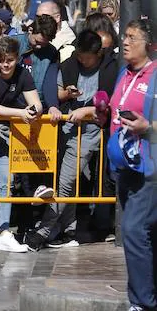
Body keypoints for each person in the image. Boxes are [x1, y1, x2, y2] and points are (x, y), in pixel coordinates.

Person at [25, 29, 118, 250]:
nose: (80, 59)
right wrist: (65, 95)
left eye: (85, 56)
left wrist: (86, 110)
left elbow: (111, 102)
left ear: (97, 55)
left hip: (90, 133)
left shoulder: (111, 69)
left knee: (65, 182)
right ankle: (68, 228)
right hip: (65, 128)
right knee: (65, 180)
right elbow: (54, 90)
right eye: (78, 54)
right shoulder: (70, 65)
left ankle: (44, 230)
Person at [0, 36, 59, 253]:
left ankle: (4, 231)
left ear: (17, 59)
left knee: (6, 182)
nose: (5, 65)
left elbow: (37, 103)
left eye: (10, 60)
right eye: (2, 60)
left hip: (12, 136)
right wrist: (20, 113)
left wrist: (33, 112)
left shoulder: (23, 73)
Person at [107, 19, 156, 311]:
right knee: (143, 234)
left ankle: (142, 303)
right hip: (125, 169)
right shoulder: (124, 73)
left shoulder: (154, 77)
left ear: (148, 44)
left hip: (149, 171)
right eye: (124, 36)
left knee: (135, 231)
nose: (124, 42)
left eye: (132, 38)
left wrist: (147, 126)